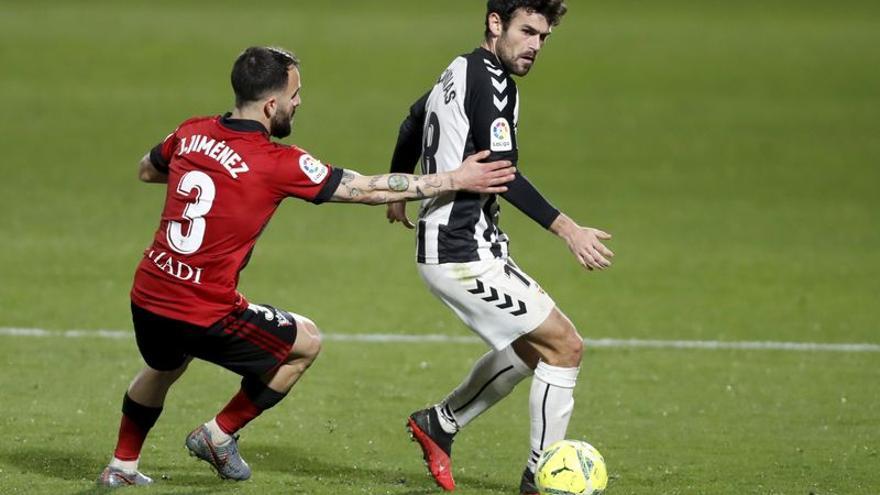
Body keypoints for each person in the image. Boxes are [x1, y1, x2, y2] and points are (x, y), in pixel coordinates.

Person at [97, 45, 515, 488]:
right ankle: (218, 435)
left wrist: (203, 173)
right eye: (295, 95)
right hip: (205, 310)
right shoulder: (280, 162)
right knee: (305, 343)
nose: (299, 102)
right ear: (271, 104)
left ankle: (121, 467)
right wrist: (455, 179)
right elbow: (365, 188)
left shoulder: (190, 132)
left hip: (148, 295)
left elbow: (148, 170)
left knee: (165, 366)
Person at [385, 1, 614, 493]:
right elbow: (503, 175)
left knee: (533, 351)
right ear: (496, 24)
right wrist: (569, 230)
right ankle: (541, 479)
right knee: (565, 348)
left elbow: (412, 119)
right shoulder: (490, 84)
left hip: (470, 246)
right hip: (460, 252)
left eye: (543, 37)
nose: (534, 46)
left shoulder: (458, 68)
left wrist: (401, 195)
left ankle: (440, 423)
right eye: (527, 31)